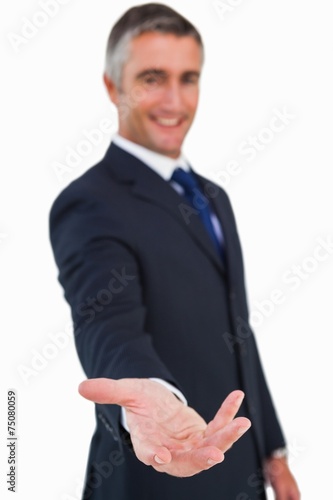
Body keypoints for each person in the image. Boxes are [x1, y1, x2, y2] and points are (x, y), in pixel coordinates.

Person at [49, 4, 300, 499]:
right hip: (156, 476)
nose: (174, 99)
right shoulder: (89, 202)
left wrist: (272, 452)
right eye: (152, 78)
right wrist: (150, 395)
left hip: (237, 471)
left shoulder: (212, 196)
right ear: (111, 86)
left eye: (189, 78)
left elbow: (238, 330)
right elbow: (108, 322)